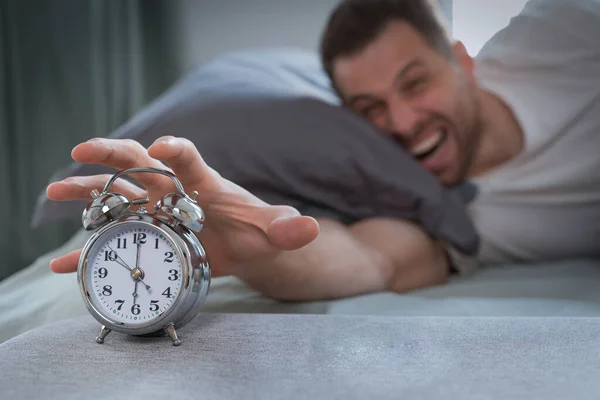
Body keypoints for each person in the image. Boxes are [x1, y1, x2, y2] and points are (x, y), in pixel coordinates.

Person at [46, 0, 600, 301]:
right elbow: (371, 259)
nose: (402, 124)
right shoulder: (421, 206)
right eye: (370, 109)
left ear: (463, 61)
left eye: (415, 84)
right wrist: (251, 250)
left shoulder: (561, 34)